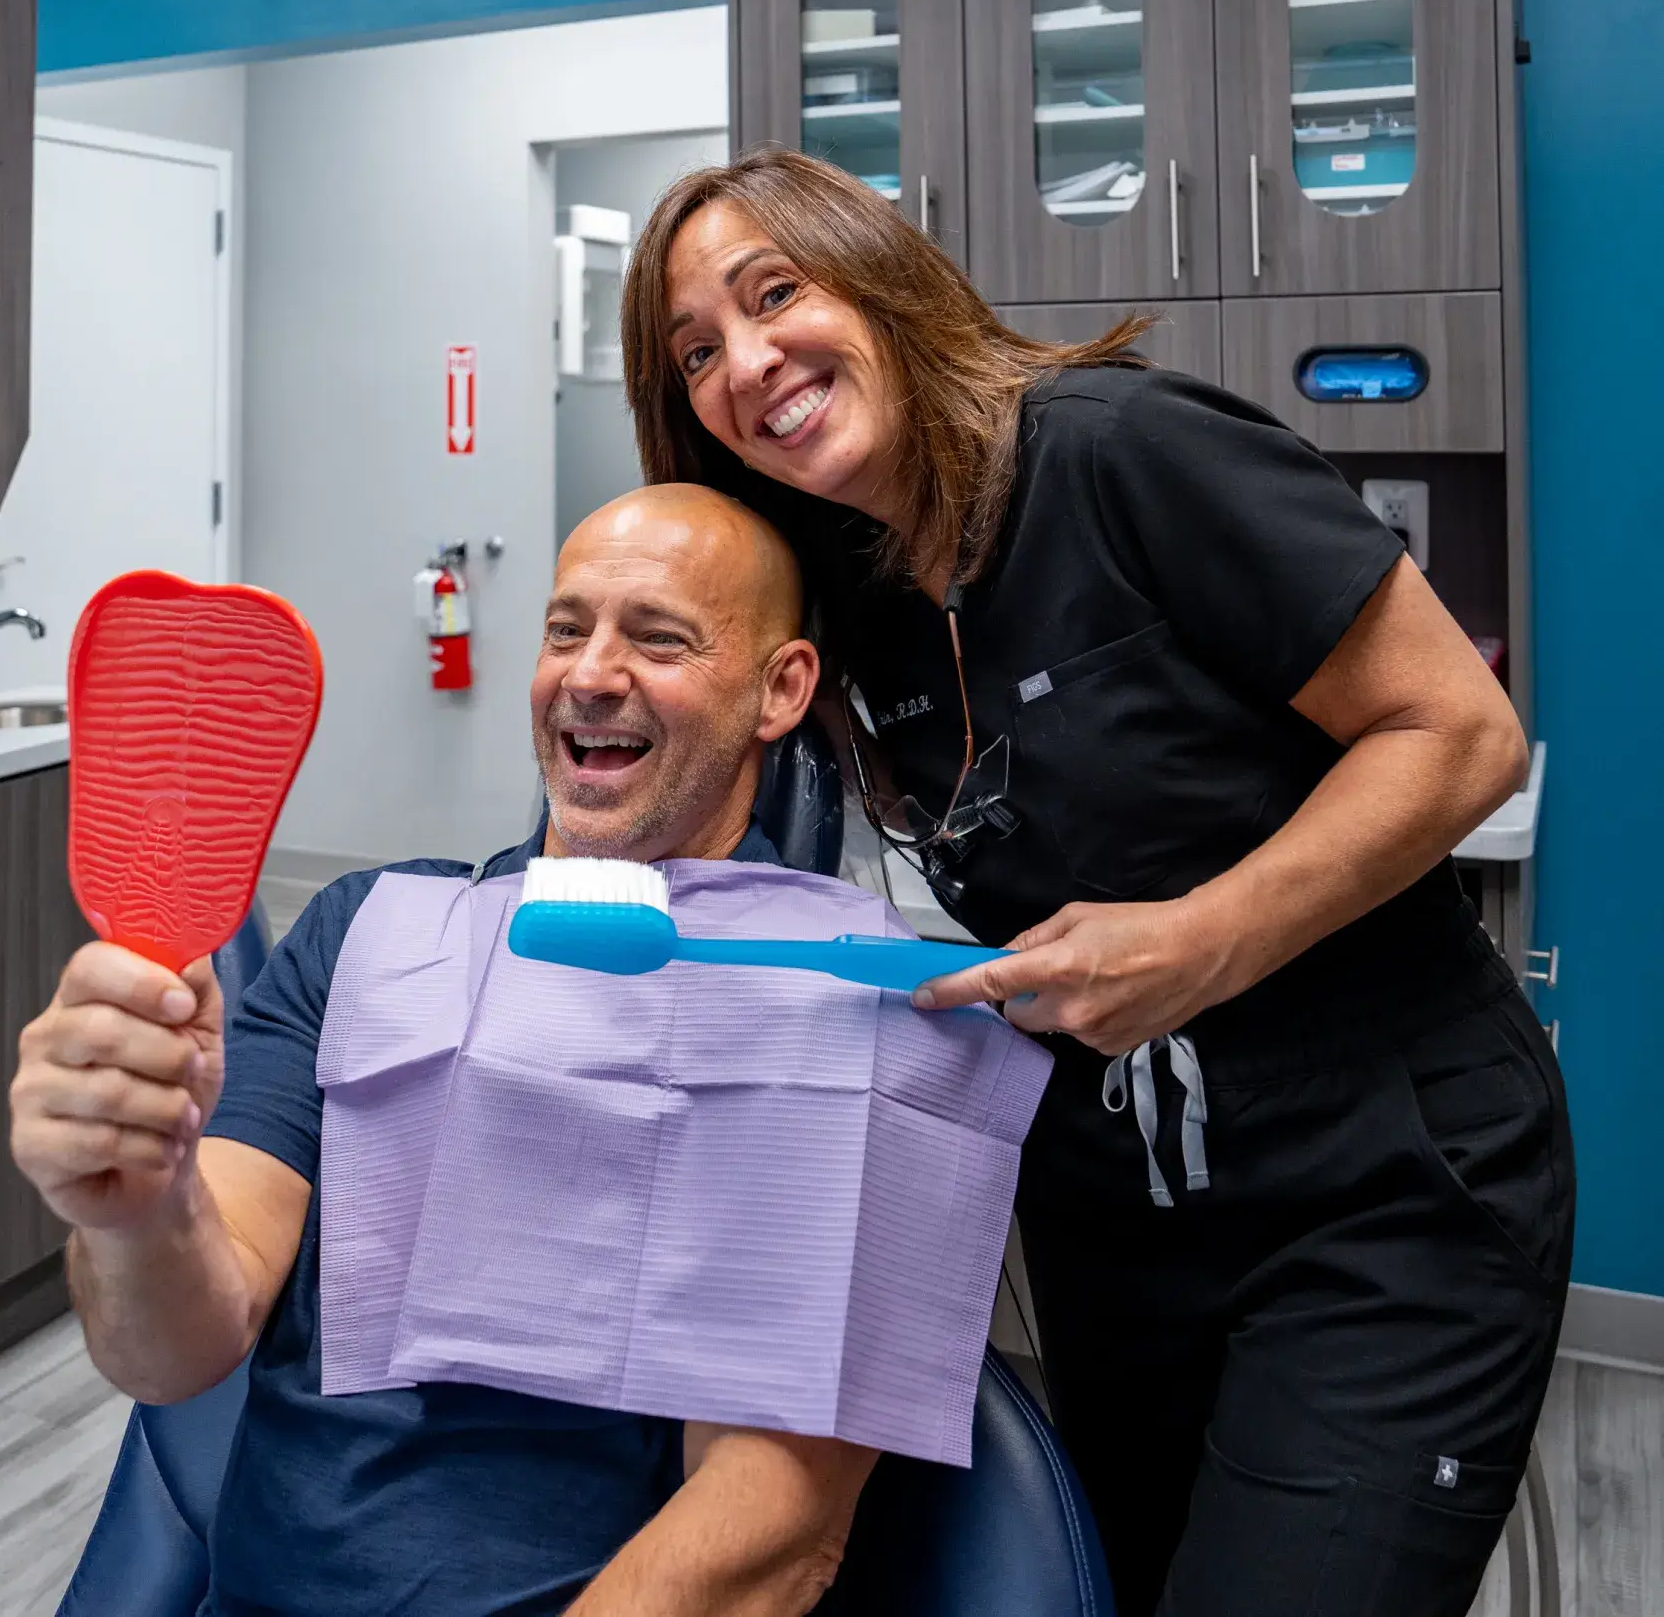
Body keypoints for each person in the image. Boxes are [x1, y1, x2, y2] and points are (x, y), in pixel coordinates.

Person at [621, 147, 1575, 1617]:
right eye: (695, 351)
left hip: (1377, 1184)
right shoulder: (856, 591)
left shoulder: (1120, 452)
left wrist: (1199, 939)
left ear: (874, 282)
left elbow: (1459, 733)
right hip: (1116, 1212)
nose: (748, 361)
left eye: (773, 293)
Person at [12, 487, 906, 1617]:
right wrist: (134, 1208)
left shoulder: (828, 1004)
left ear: (780, 689)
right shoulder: (365, 931)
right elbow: (170, 1352)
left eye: (658, 636)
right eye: (565, 628)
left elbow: (773, 1522)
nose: (589, 672)